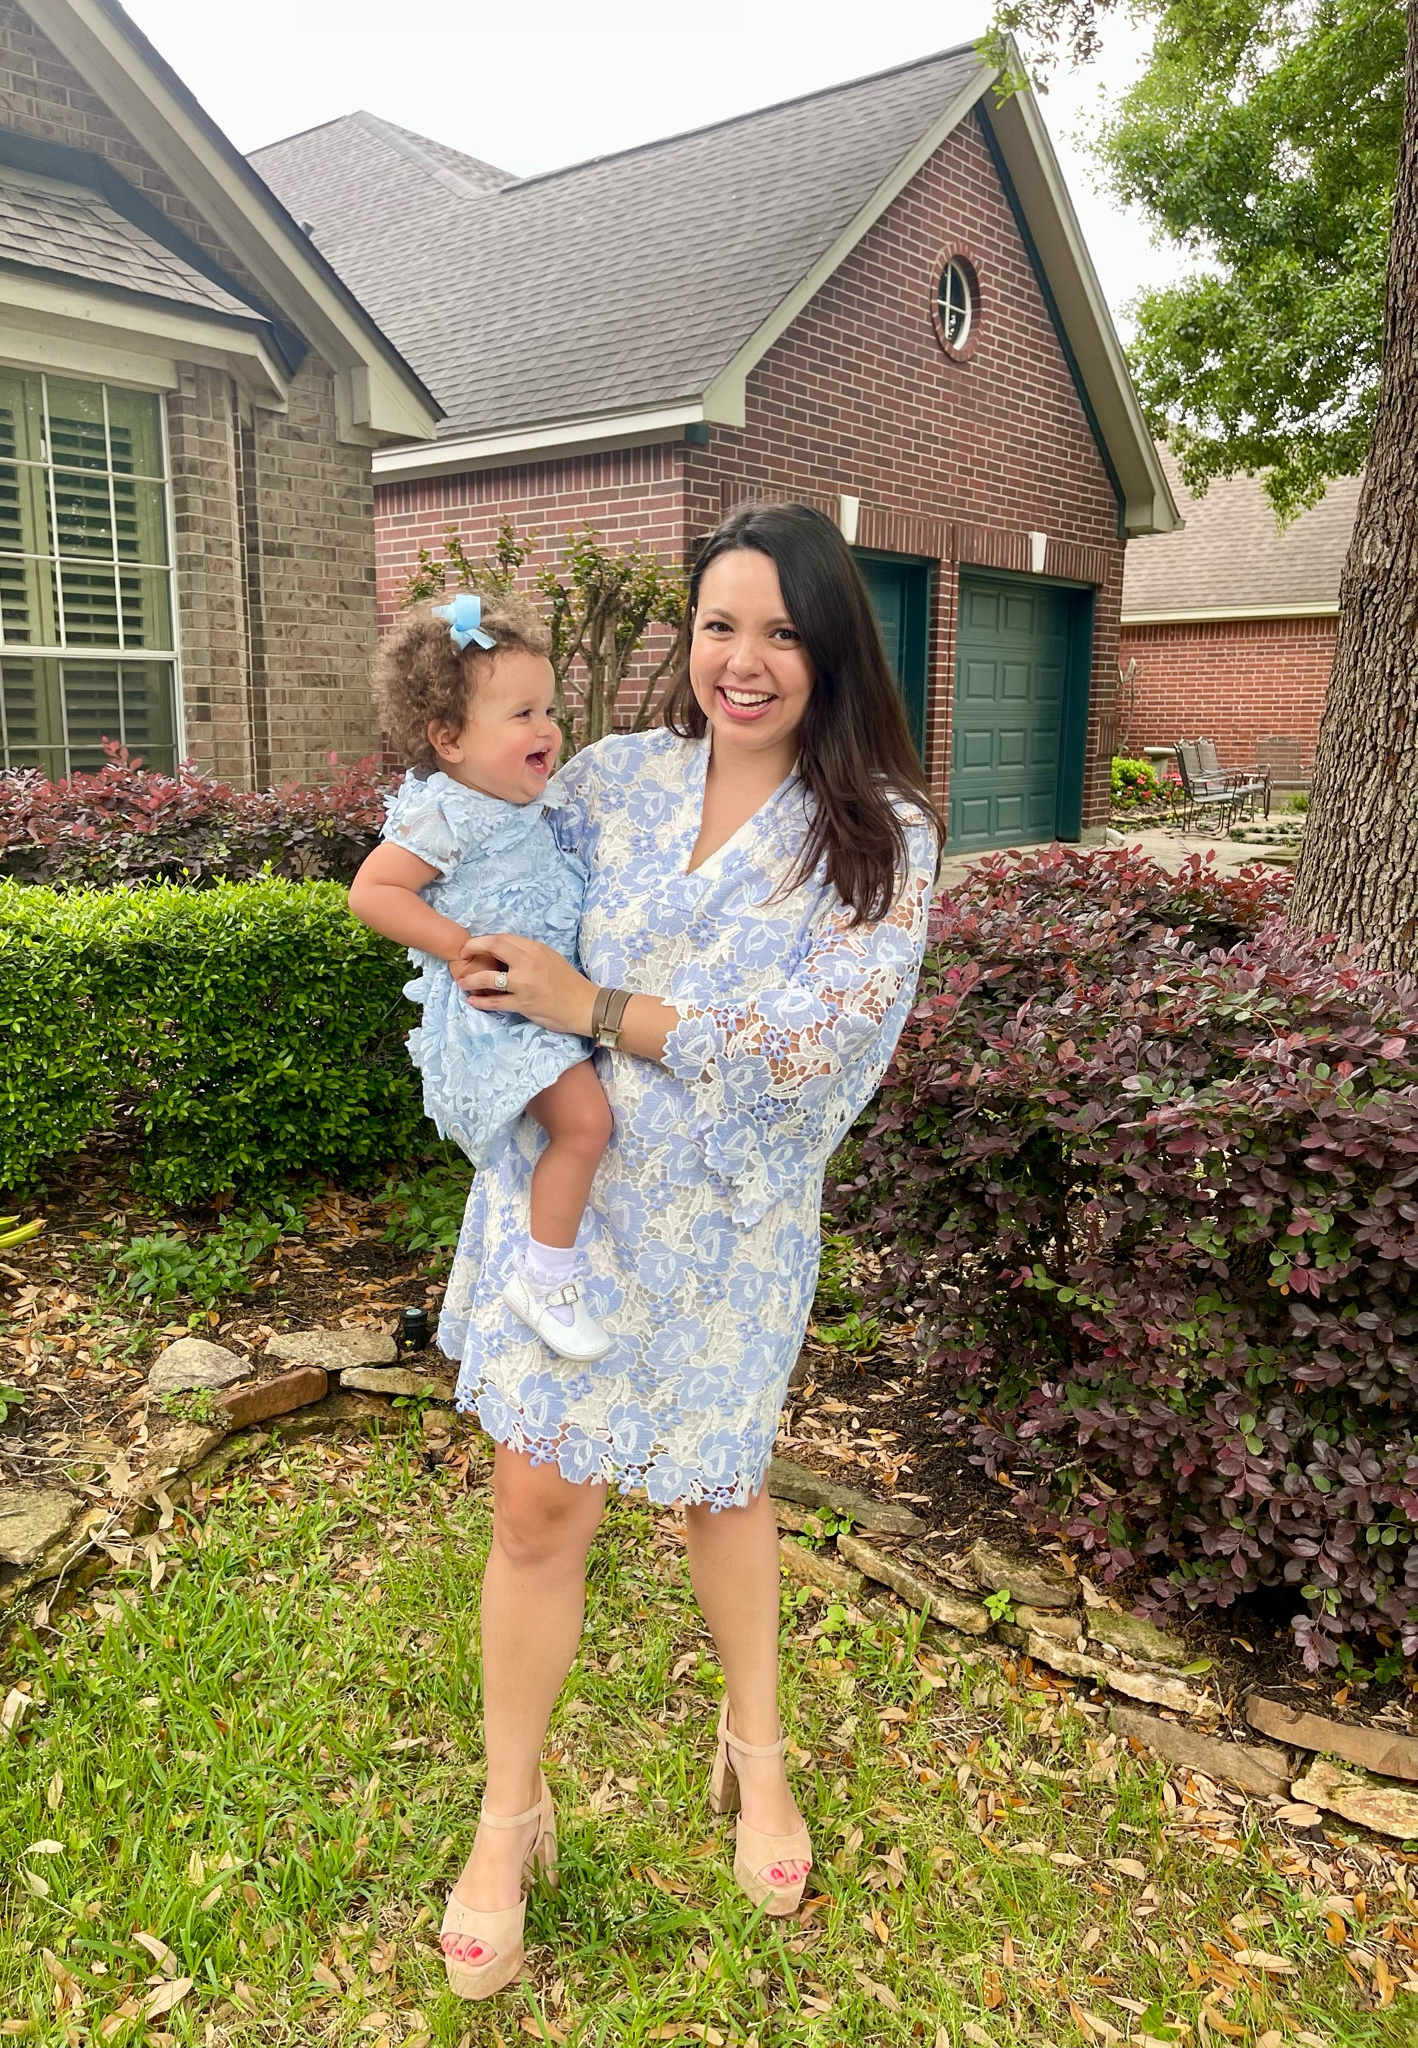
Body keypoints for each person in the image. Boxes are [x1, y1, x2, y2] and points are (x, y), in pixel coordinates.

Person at [433, 503, 941, 2000]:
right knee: (537, 1504)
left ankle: (755, 1754)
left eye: (782, 631)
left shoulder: (882, 836)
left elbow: (814, 1050)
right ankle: (508, 1811)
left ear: (832, 649)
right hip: (568, 1213)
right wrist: (448, 926)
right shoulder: (609, 779)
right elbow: (479, 859)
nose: (744, 660)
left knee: (722, 1485)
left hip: (729, 1227)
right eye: (721, 624)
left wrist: (595, 1008)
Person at [348, 592, 616, 1364]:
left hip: (542, 999)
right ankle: (545, 1280)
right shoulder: (447, 814)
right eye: (523, 714)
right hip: (499, 1011)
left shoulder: (527, 803)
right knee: (585, 1125)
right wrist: (458, 945)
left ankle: (544, 1269)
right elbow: (373, 891)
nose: (548, 729)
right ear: (449, 738)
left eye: (550, 710)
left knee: (583, 1125)